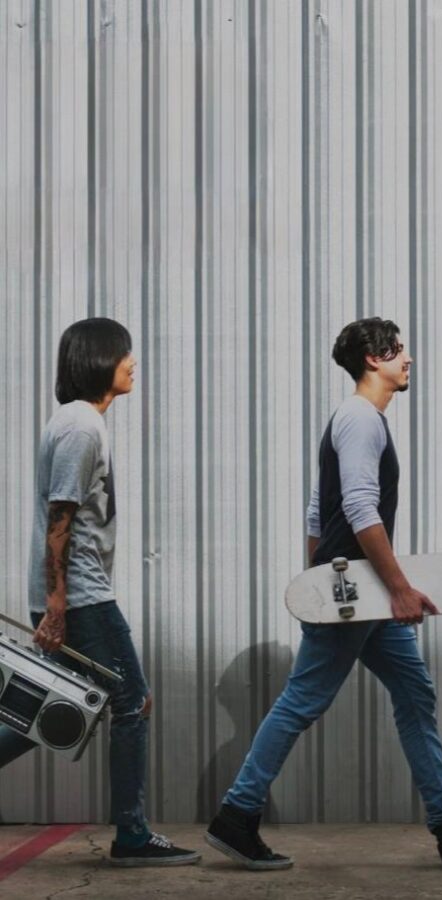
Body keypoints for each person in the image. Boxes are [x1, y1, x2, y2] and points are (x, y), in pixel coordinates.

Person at [206, 316, 442, 869]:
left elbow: (318, 508)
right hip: (359, 592)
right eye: (398, 351)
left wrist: (319, 572)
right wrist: (392, 588)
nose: (407, 359)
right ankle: (236, 815)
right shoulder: (361, 419)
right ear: (374, 360)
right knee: (303, 699)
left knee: (414, 694)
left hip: (357, 590)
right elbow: (358, 509)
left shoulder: (357, 419)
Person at [0, 318, 200, 867]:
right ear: (97, 360)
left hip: (76, 592)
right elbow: (59, 519)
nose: (133, 362)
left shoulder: (80, 422)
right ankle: (132, 836)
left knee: (52, 705)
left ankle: (133, 833)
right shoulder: (81, 427)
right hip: (81, 595)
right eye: (124, 353)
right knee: (131, 700)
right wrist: (58, 605)